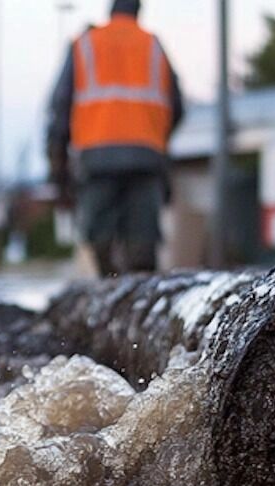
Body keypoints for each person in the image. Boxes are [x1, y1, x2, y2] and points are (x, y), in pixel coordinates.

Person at [46, 0, 185, 278]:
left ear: (110, 11)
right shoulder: (153, 45)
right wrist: (156, 137)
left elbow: (60, 107)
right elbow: (177, 106)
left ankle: (109, 286)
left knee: (100, 235)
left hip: (96, 156)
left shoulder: (85, 44)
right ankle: (139, 294)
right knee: (142, 239)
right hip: (147, 156)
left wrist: (57, 165)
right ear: (138, 12)